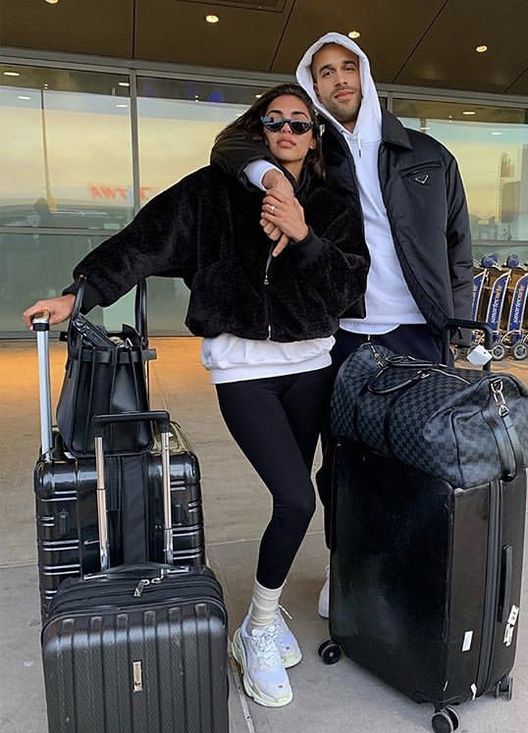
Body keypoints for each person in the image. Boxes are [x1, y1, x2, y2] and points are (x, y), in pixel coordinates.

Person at [23, 83, 369, 709]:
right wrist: (78, 295)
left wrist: (304, 233)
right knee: (293, 499)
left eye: (300, 123)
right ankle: (259, 627)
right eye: (276, 121)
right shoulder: (212, 194)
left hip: (311, 366)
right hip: (242, 370)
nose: (288, 131)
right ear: (259, 128)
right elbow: (142, 242)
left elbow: (347, 285)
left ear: (316, 137)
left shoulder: (333, 201)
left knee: (305, 492)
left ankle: (266, 614)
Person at [211, 32, 474, 618]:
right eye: (324, 72)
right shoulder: (312, 159)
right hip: (346, 332)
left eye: (346, 67)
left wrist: (459, 325)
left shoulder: (429, 156)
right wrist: (272, 176)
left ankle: (406, 569)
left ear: (366, 74)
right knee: (344, 463)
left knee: (417, 457)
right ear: (313, 86)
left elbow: (459, 248)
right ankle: (344, 566)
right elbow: (229, 144)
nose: (339, 79)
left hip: (419, 331)